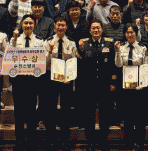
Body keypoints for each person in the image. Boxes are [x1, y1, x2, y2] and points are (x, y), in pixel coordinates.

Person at [77, 20, 117, 151]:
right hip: (89, 85)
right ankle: (90, 141)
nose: (96, 30)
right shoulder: (84, 44)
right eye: (93, 28)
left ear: (102, 30)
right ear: (89, 31)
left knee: (105, 113)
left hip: (104, 85)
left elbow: (113, 64)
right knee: (89, 114)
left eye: (98, 28)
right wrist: (80, 49)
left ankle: (103, 140)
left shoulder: (109, 43)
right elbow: (80, 64)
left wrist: (112, 82)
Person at [10, 14, 46, 151]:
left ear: (34, 25)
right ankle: (19, 141)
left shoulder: (39, 42)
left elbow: (42, 61)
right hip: (18, 81)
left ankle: (31, 141)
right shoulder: (14, 40)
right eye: (26, 23)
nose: (28, 25)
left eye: (30, 23)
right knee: (18, 112)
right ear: (22, 25)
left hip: (32, 82)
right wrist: (14, 40)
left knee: (31, 112)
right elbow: (9, 58)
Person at [42, 16, 78, 151]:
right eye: (58, 25)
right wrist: (50, 51)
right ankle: (50, 139)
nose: (60, 27)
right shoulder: (47, 42)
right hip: (51, 79)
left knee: (65, 109)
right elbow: (44, 64)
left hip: (66, 80)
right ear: (54, 27)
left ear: (66, 27)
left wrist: (69, 78)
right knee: (50, 108)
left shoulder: (71, 43)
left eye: (63, 25)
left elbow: (73, 62)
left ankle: (64, 139)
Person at [115, 23, 148, 151]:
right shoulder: (121, 47)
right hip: (125, 88)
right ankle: (128, 143)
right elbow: (118, 65)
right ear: (125, 34)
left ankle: (140, 143)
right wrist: (117, 51)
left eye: (132, 32)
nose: (130, 34)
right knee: (128, 118)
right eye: (127, 32)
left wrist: (142, 84)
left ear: (136, 33)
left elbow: (145, 67)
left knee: (140, 118)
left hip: (138, 88)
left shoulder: (142, 48)